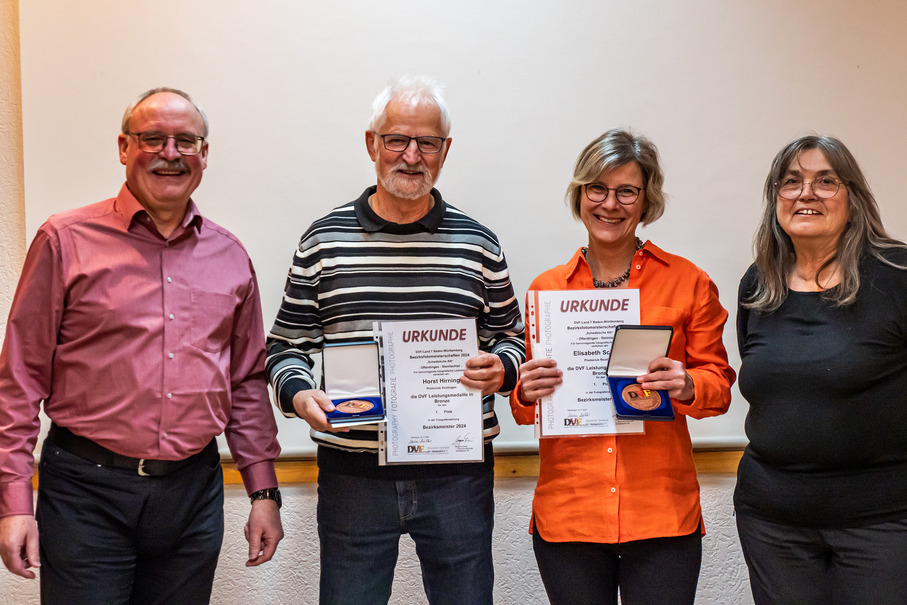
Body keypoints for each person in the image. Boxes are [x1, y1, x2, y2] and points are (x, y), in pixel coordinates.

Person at [0, 87, 283, 604]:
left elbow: (245, 382)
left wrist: (263, 492)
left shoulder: (230, 255)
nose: (170, 153)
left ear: (204, 153)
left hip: (192, 493)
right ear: (124, 147)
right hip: (86, 492)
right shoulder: (64, 241)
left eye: (186, 141)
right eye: (153, 138)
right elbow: (19, 381)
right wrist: (15, 502)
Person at [266, 76, 525, 605]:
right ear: (371, 144)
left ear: (445, 151)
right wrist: (297, 394)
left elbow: (512, 338)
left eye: (427, 142)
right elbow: (284, 346)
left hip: (457, 475)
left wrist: (503, 369)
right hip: (353, 476)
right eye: (397, 140)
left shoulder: (478, 242)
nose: (412, 156)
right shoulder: (323, 240)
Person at [510, 128, 735, 605]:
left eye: (626, 191)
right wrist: (525, 392)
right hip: (570, 512)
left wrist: (687, 382)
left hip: (661, 513)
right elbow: (526, 409)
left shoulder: (689, 282)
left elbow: (719, 387)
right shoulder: (546, 291)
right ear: (580, 194)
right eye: (597, 189)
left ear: (645, 199)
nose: (610, 204)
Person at [735, 135, 907, 604]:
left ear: (853, 196)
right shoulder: (758, 283)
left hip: (884, 523)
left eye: (825, 181)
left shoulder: (898, 274)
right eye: (791, 182)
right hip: (772, 522)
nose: (806, 194)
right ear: (776, 199)